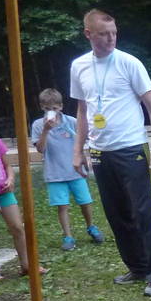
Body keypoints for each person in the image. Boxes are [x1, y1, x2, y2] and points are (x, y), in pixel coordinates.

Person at [70, 9, 151, 297]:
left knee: (144, 212)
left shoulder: (129, 63)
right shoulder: (79, 67)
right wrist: (78, 151)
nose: (111, 38)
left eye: (114, 33)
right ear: (88, 34)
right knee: (117, 214)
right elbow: (82, 111)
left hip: (131, 148)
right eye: (104, 34)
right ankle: (138, 267)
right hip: (100, 151)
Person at [31, 88, 104, 251]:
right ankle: (68, 236)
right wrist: (46, 130)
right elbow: (41, 149)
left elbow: (81, 141)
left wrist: (84, 158)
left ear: (61, 107)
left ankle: (91, 226)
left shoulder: (71, 121)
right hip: (55, 173)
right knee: (62, 206)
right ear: (41, 107)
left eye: (54, 108)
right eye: (47, 109)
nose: (51, 111)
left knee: (85, 201)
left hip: (75, 171)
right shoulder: (38, 125)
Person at [0, 124, 46, 280]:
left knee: (18, 227)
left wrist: (11, 179)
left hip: (4, 192)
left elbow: (7, 166)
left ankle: (27, 265)